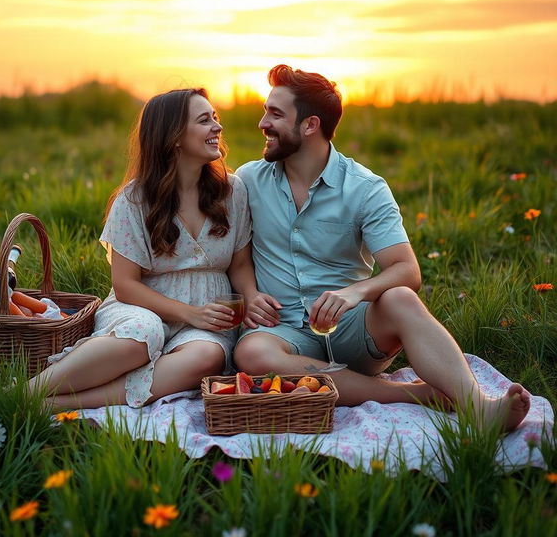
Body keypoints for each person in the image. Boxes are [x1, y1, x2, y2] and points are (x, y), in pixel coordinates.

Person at [234, 64, 531, 431]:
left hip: (351, 330)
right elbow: (238, 256)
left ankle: (480, 408)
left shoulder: (365, 188)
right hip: (282, 333)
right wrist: (249, 293)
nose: (263, 123)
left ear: (310, 125)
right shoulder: (247, 181)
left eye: (275, 114)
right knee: (250, 353)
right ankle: (415, 395)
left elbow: (406, 270)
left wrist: (355, 292)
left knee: (401, 298)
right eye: (266, 111)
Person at [28, 88, 260, 411]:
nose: (217, 127)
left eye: (216, 118)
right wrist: (190, 312)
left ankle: (61, 403)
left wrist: (250, 296)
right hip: (143, 306)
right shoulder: (134, 200)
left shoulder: (232, 191)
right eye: (204, 120)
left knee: (207, 356)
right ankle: (27, 392)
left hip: (209, 316)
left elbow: (239, 264)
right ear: (174, 136)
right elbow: (125, 285)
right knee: (142, 334)